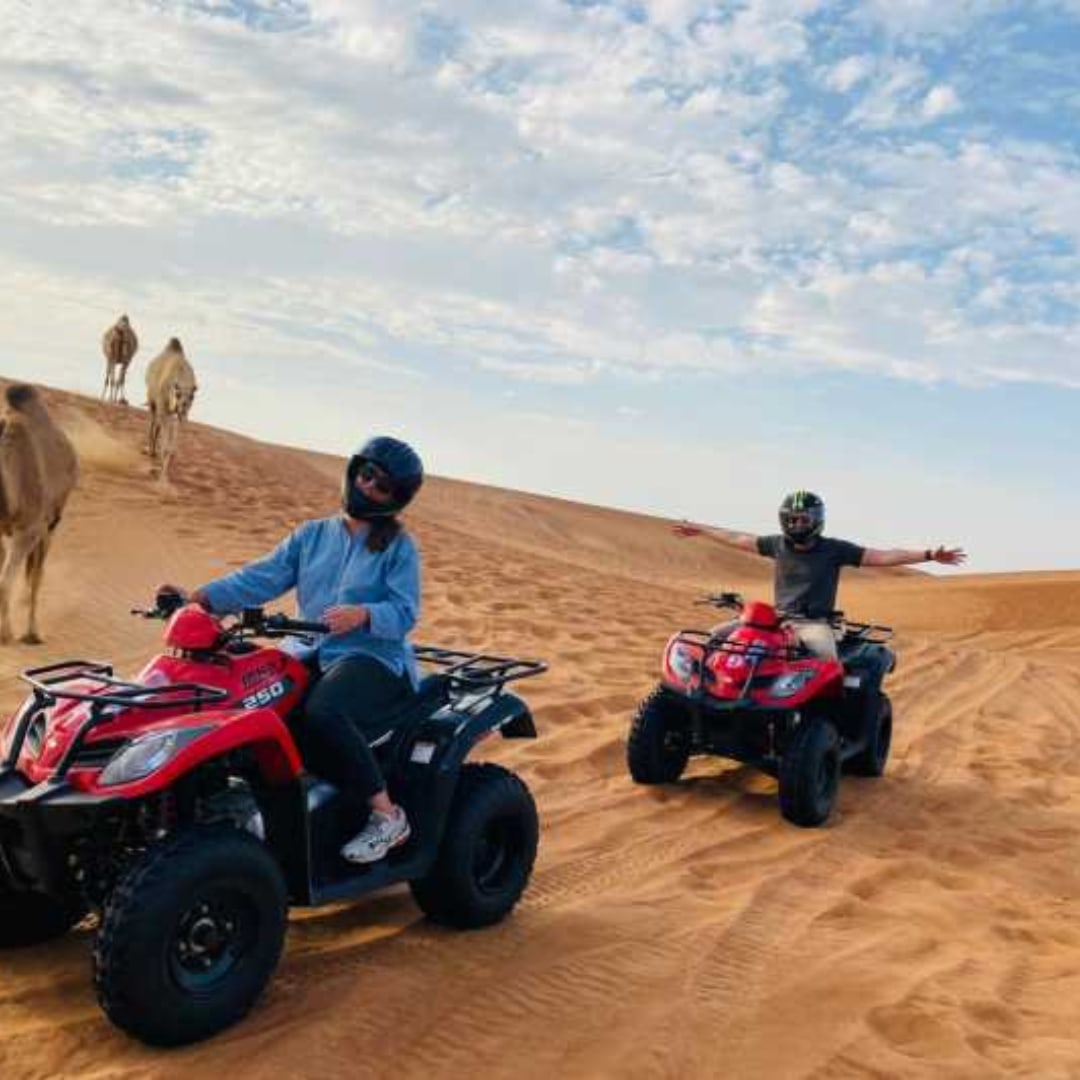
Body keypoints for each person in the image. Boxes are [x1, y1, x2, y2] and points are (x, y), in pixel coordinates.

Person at [159, 436, 424, 864]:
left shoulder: (398, 548)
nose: (369, 486)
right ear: (355, 469)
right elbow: (260, 578)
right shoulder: (313, 535)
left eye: (383, 485)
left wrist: (365, 615)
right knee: (248, 698)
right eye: (367, 474)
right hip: (308, 649)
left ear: (397, 498)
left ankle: (387, 814)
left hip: (371, 658)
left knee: (324, 712)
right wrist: (201, 598)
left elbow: (405, 611)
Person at [673, 490, 966, 659]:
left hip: (814, 624)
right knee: (715, 638)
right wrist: (702, 530)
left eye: (802, 519)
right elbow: (737, 538)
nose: (796, 524)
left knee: (825, 661)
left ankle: (827, 725)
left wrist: (928, 555)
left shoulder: (834, 549)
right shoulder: (777, 544)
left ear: (816, 521)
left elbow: (884, 555)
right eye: (791, 519)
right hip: (777, 620)